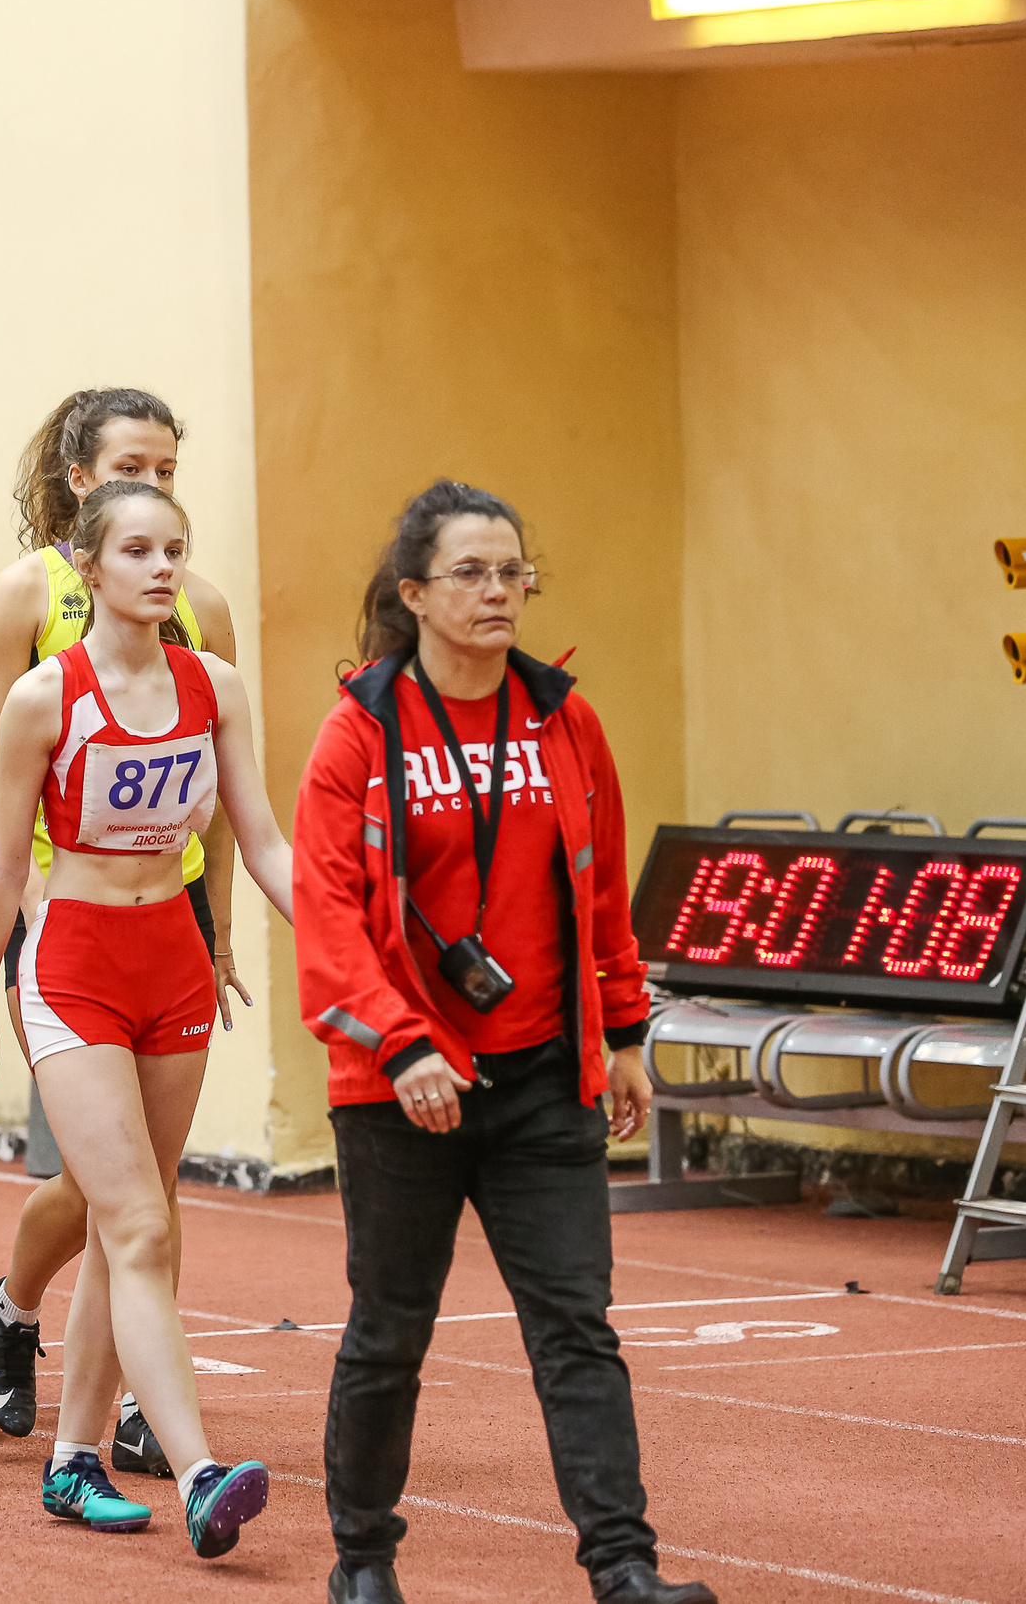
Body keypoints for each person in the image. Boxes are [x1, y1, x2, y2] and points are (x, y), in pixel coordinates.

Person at [295, 482, 713, 1604]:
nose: (499, 592)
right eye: (473, 573)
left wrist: (623, 1029)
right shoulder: (361, 731)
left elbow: (601, 891)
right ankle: (362, 1561)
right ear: (414, 593)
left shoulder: (561, 719)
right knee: (389, 1332)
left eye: (513, 572)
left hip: (540, 1078)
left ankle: (624, 1569)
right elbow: (328, 917)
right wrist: (400, 1045)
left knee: (576, 1328)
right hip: (402, 1091)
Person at [0, 481, 293, 1557]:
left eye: (173, 551)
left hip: (175, 964)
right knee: (140, 1223)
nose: (159, 568)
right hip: (74, 967)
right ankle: (196, 1471)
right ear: (86, 569)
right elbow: (6, 865)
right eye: (136, 550)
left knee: (120, 1225)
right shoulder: (47, 696)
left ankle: (74, 1459)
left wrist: (353, 934)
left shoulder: (217, 687)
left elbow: (266, 841)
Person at [0, 388, 242, 1470]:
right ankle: (21, 1301)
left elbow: (220, 790)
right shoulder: (26, 594)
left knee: (132, 1202)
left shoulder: (201, 612)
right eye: (138, 467)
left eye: (172, 471)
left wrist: (213, 922)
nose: (159, 488)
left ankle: (108, 1404)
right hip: (61, 913)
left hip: (164, 926)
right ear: (81, 482)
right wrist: (30, 878)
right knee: (108, 1195)